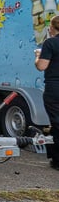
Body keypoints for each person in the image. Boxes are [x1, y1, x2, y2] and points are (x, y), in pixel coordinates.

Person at [35, 15, 59, 170]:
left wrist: (38, 56)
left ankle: (57, 160)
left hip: (54, 89)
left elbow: (42, 66)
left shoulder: (50, 43)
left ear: (53, 28)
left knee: (57, 123)